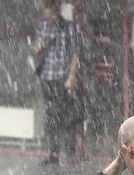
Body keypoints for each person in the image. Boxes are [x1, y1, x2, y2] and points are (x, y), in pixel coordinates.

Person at [32, 1, 80, 166]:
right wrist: (38, 47)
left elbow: (75, 53)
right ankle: (53, 155)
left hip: (62, 78)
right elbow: (36, 49)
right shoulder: (42, 27)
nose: (46, 14)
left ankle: (71, 154)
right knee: (51, 117)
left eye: (48, 11)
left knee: (67, 116)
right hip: (47, 77)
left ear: (54, 10)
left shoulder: (68, 27)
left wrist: (71, 77)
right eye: (45, 11)